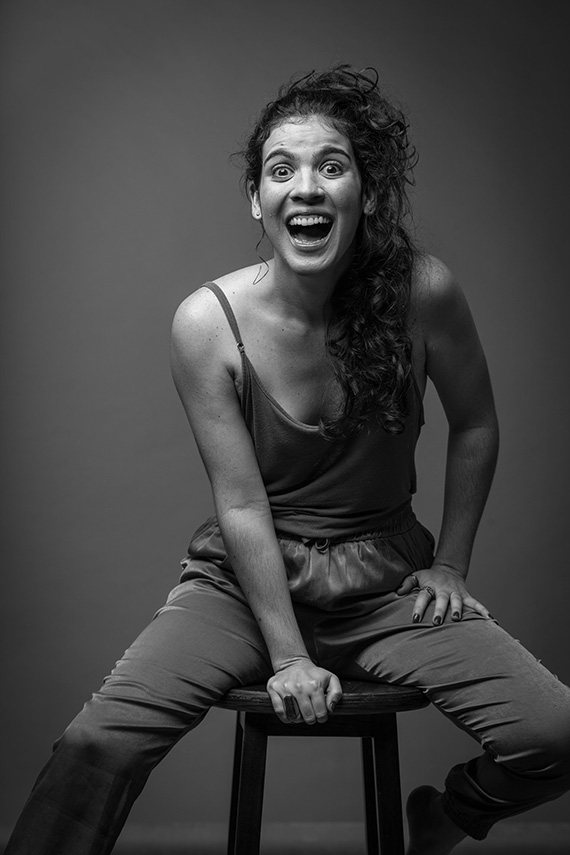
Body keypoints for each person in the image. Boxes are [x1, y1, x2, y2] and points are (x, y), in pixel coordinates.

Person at [5, 65, 570, 855]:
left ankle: (444, 819)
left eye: (331, 166)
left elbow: (475, 423)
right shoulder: (208, 323)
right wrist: (290, 655)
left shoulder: (424, 293)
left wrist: (451, 563)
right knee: (96, 744)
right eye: (281, 170)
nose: (305, 187)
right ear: (256, 199)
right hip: (243, 587)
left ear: (365, 194)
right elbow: (241, 505)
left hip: (387, 586)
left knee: (555, 731)